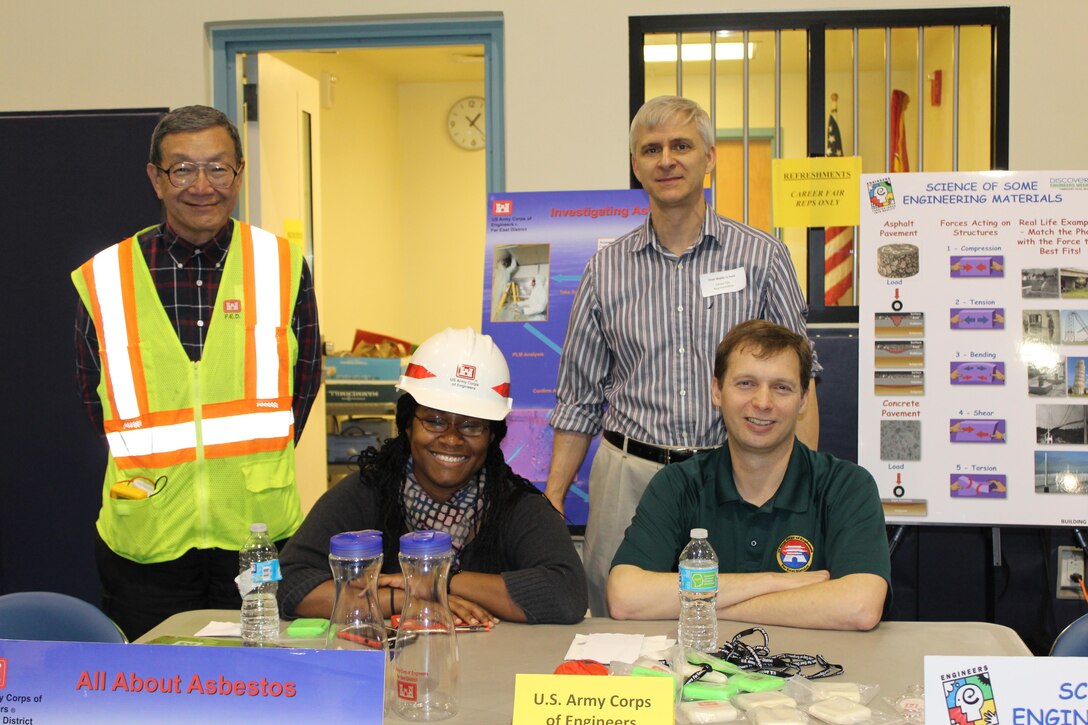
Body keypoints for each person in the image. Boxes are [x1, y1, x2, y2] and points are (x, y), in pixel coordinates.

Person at [546, 95, 819, 615]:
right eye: (651, 149)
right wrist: (554, 498)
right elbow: (577, 397)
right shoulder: (604, 270)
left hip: (735, 474)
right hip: (629, 476)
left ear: (709, 158)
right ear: (635, 165)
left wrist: (799, 488)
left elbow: (800, 385)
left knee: (742, 611)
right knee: (618, 617)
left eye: (681, 146)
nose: (666, 160)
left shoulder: (763, 258)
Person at [72, 105, 322, 639]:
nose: (202, 185)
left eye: (217, 167)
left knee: (261, 687)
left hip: (257, 532)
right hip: (147, 536)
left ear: (239, 173)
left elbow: (303, 384)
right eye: (182, 169)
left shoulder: (282, 265)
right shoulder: (108, 277)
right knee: (153, 692)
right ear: (155, 179)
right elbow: (96, 402)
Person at [278, 328, 588, 626]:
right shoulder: (367, 492)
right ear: (408, 424)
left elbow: (567, 593)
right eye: (435, 421)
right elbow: (292, 585)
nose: (452, 439)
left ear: (493, 435)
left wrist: (442, 580)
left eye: (471, 425)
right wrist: (410, 596)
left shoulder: (515, 505)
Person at [607, 320, 889, 631]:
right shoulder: (678, 485)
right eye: (746, 384)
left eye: (781, 387)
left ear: (804, 399)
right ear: (717, 391)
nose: (763, 402)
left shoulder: (846, 486)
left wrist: (704, 603)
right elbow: (625, 596)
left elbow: (860, 607)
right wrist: (775, 583)